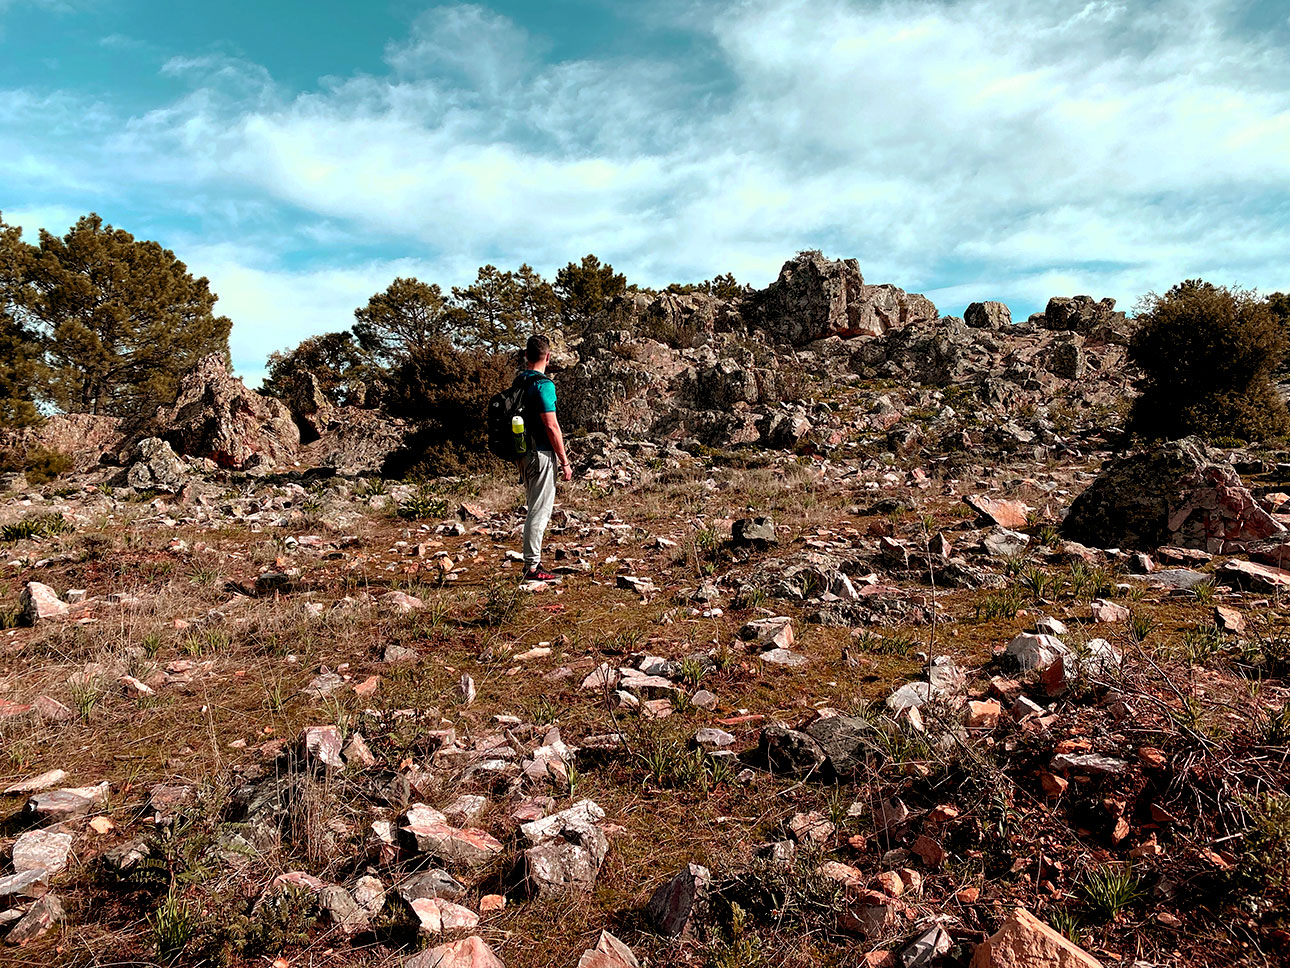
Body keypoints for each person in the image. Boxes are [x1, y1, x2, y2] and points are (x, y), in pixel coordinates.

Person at [516, 335, 572, 582]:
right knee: (539, 511)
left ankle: (532, 562)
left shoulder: (519, 382)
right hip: (541, 453)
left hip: (522, 453)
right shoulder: (544, 385)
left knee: (533, 507)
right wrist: (565, 461)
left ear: (526, 356)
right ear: (548, 357)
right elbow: (552, 427)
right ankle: (532, 567)